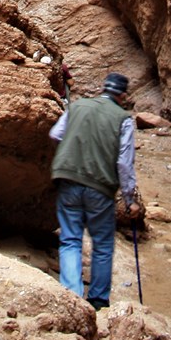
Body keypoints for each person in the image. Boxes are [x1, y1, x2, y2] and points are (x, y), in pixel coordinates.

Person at [49, 71, 141, 310]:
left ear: (103, 89)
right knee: (101, 244)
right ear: (122, 95)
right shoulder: (124, 119)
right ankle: (98, 300)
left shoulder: (78, 106)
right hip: (100, 187)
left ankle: (71, 297)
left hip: (67, 179)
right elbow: (124, 163)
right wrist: (130, 199)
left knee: (70, 240)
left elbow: (56, 134)